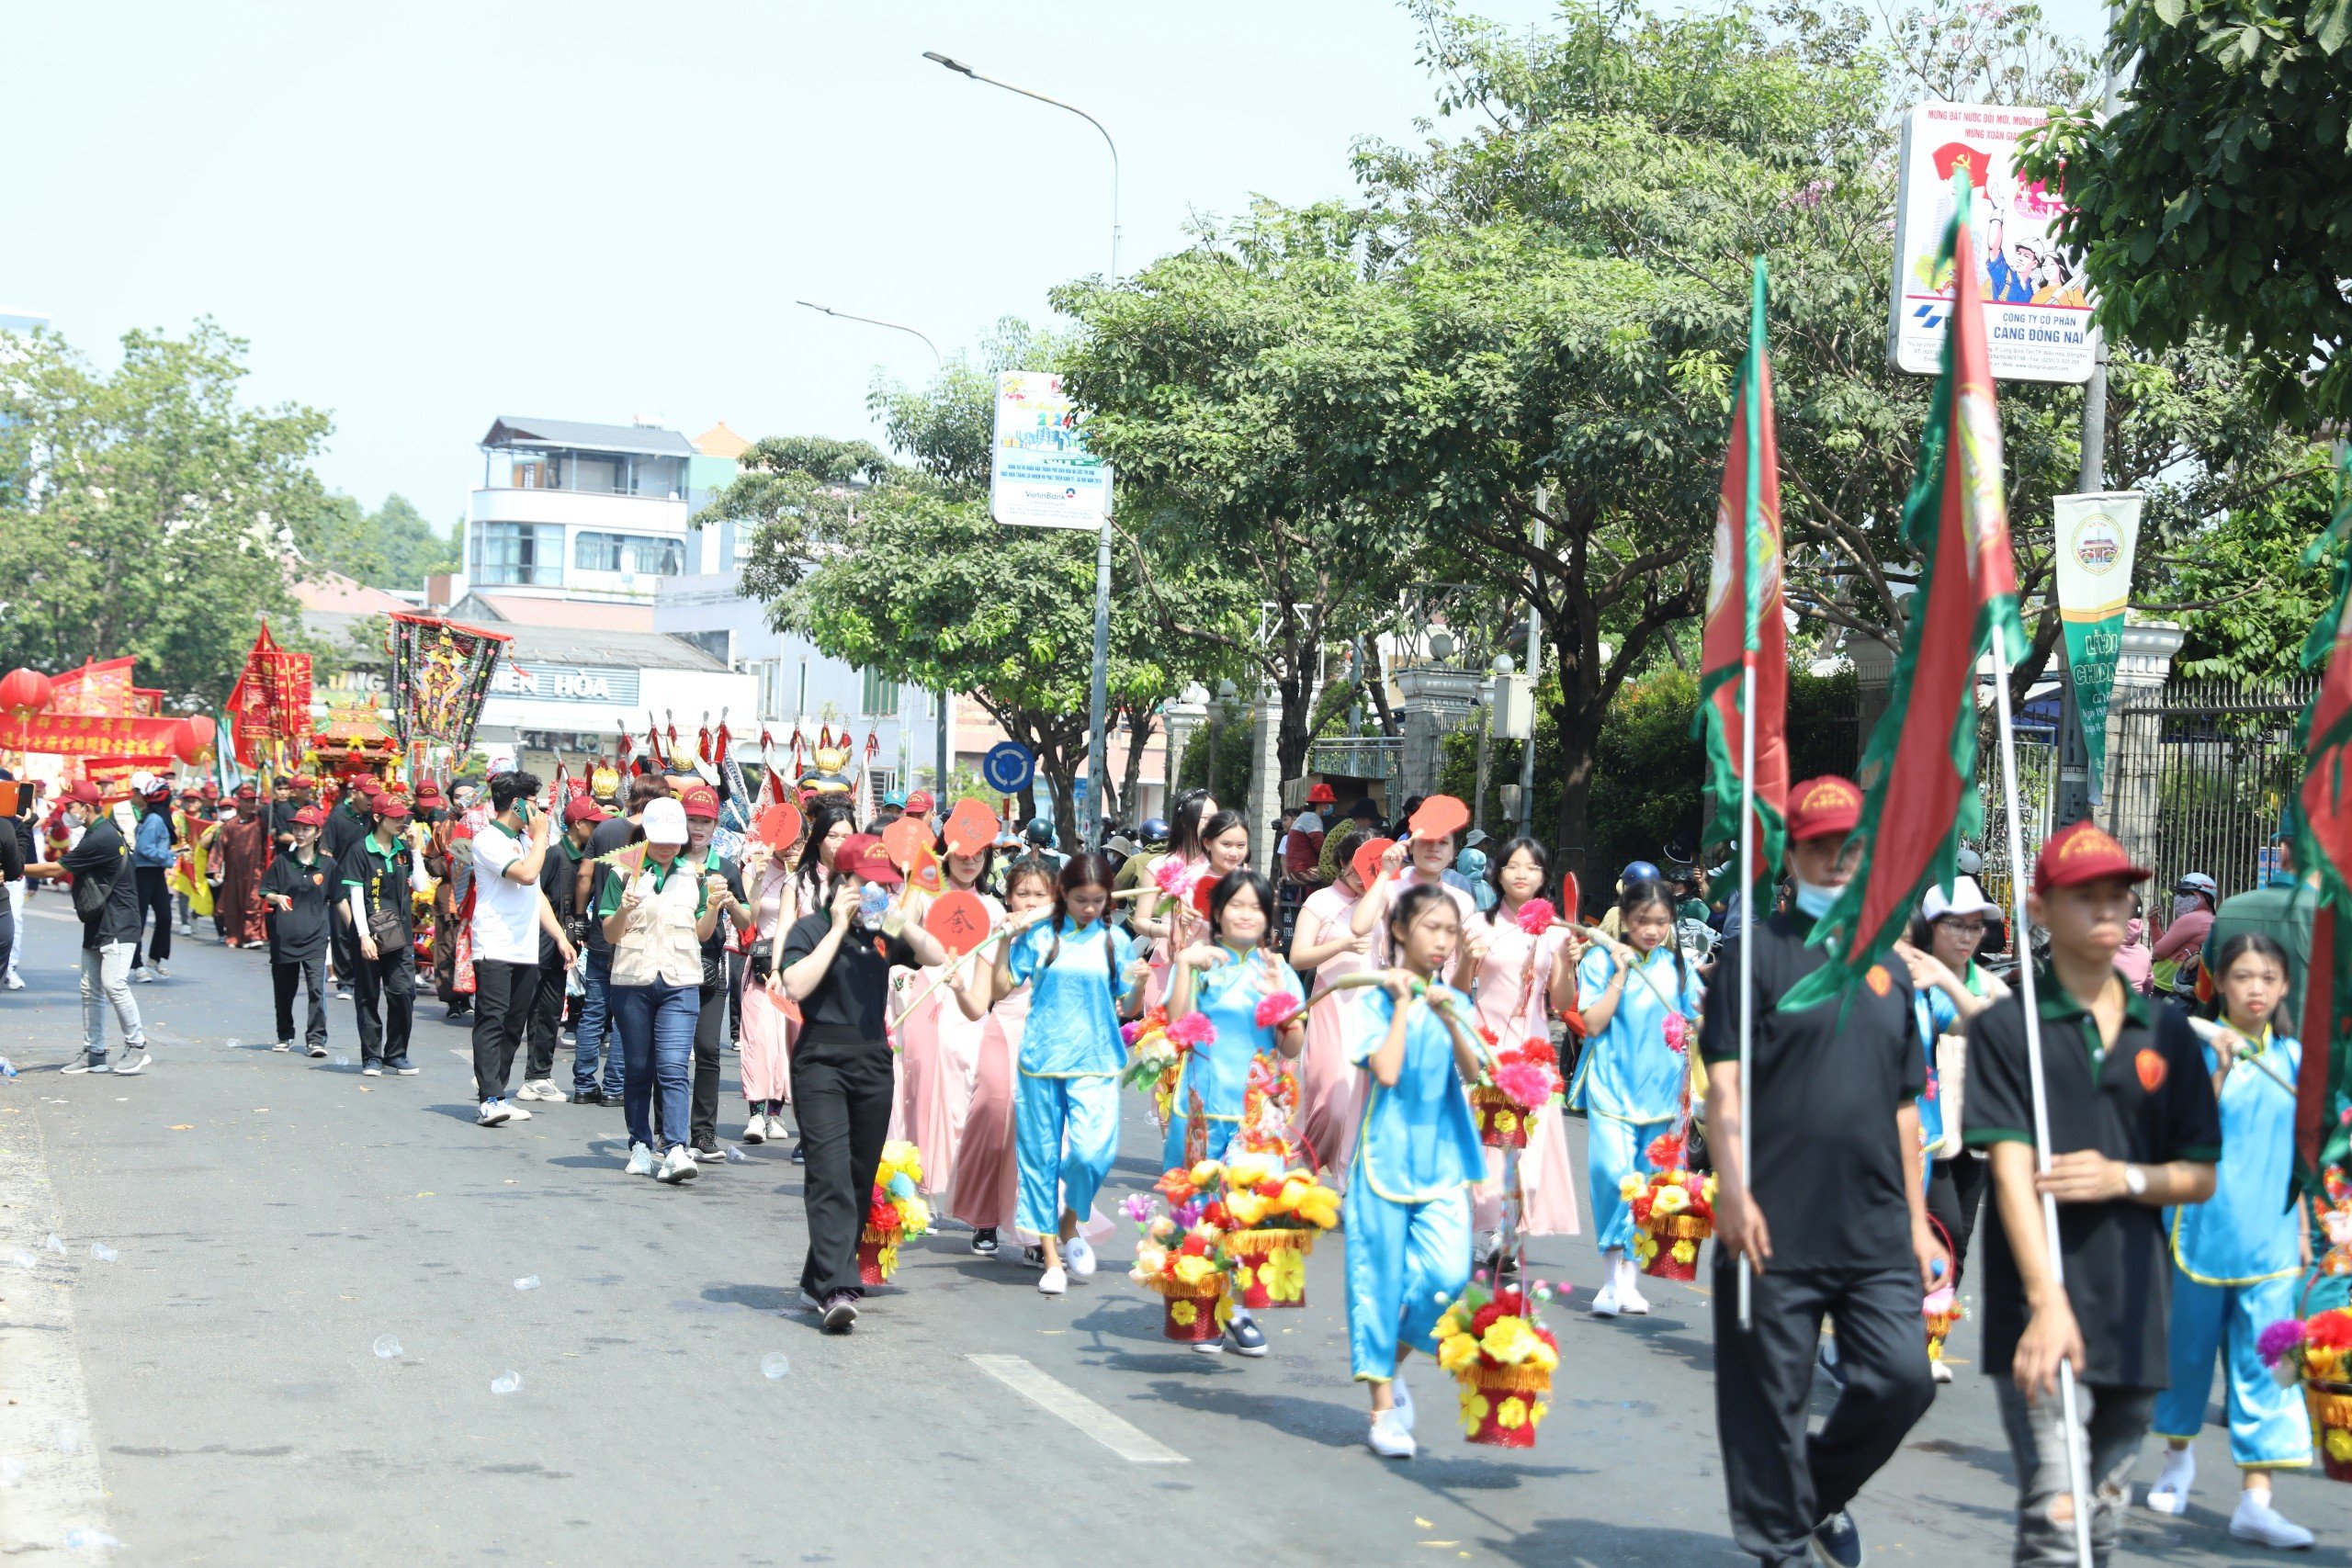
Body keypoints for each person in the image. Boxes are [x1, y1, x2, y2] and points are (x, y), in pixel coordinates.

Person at [1965, 819, 2221, 1568]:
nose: (2110, 910)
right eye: (2087, 896)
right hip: (2039, 1308)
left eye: (2120, 896)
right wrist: (2046, 1301)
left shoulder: (2167, 1032)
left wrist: (2126, 1178)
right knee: (2056, 1511)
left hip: (2137, 1306)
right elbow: (2010, 1167)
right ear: (2040, 910)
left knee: (2099, 1523)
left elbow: (2200, 1172)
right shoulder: (2010, 1029)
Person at [1702, 775, 1940, 1568]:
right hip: (1773, 1217)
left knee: (1903, 1379)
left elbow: (1907, 1107)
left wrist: (1914, 1219)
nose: (1838, 860)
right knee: (1769, 1398)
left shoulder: (1891, 970)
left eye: (1852, 846)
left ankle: (1810, 1494)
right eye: (1821, 845)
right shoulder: (1753, 956)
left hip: (1873, 1221)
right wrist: (1732, 1189)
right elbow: (1726, 1087)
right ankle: (1779, 1540)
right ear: (1794, 854)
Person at [2144, 932, 2314, 1549]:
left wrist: (2300, 1227)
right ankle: (2176, 1460)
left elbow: (2300, 1153)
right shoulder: (2191, 1048)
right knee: (2186, 1356)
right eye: (2244, 975)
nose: (2257, 988)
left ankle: (2257, 1499)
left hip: (2270, 1244)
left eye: (2269, 977)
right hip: (2201, 1232)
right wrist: (2216, 1070)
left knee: (2270, 1367)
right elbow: (2177, 1135)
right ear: (2219, 981)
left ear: (2284, 986)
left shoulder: (2296, 1060)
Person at [783, 832, 953, 1332]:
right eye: (867, 884)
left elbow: (938, 954)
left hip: (873, 1063)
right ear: (841, 883)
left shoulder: (883, 933)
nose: (876, 893)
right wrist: (837, 926)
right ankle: (838, 1285)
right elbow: (795, 985)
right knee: (829, 1172)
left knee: (858, 1178)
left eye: (885, 885)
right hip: (820, 1064)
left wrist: (898, 917)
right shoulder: (810, 929)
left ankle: (820, 1274)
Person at [1344, 883, 1491, 1461]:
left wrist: (1448, 1010)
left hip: (1443, 1161)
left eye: (1451, 931)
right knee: (1376, 1285)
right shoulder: (1371, 1000)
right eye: (1432, 927)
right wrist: (1403, 1003)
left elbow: (1476, 1069)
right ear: (1400, 931)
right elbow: (1383, 1070)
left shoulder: (1454, 998)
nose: (1442, 941)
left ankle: (1392, 1363)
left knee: (1449, 1277)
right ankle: (1381, 1409)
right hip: (1382, 1159)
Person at [1165, 868, 1306, 1354]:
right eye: (1236, 905)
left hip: (1257, 1115)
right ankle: (1203, 1307)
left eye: (1256, 907)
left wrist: (1279, 1005)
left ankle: (1239, 1310)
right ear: (1218, 912)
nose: (1246, 914)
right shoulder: (1205, 961)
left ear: (1268, 917)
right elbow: (1179, 1024)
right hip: (1201, 1106)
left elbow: (1292, 1044)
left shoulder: (1278, 969)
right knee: (1201, 1211)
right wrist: (1184, 964)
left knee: (1250, 1213)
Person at [992, 853, 1144, 1298]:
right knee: (1039, 1159)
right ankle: (1051, 1257)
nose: (1090, 909)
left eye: (1098, 900)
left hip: (1097, 1061)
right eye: (1081, 899)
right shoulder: (1040, 934)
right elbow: (1003, 987)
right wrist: (1004, 940)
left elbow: (1130, 1008)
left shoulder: (1116, 939)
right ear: (1064, 895)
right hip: (1041, 1061)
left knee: (1094, 1152)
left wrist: (1138, 982)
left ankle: (1070, 1221)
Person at [1890, 874, 2010, 1382]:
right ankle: (1883, 1339)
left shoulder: (1981, 986)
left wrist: (1947, 979)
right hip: (1919, 1136)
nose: (1966, 937)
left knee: (1956, 1243)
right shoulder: (1900, 981)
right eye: (1954, 926)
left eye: (1974, 927)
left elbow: (1997, 1032)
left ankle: (1930, 1340)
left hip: (1973, 1131)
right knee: (1939, 1230)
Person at [1576, 876, 1704, 1317]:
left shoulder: (1677, 966)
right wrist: (1619, 972)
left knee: (1646, 1185)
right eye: (1641, 921)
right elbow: (1592, 1023)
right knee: (1611, 1176)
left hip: (1662, 1094)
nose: (1651, 930)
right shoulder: (1598, 959)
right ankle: (1609, 1279)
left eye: (1661, 922)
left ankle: (1628, 1281)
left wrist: (1697, 1026)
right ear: (1625, 918)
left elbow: (1695, 1018)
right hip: (1611, 1087)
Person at [1467, 837, 1584, 1263]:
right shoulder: (1480, 924)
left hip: (1534, 1049)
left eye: (1531, 867)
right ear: (1498, 874)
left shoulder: (1555, 932)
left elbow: (1563, 1001)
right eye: (1512, 866)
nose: (1521, 874)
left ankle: (1513, 1233)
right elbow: (1459, 987)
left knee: (1528, 1153)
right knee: (1492, 1145)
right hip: (1488, 1046)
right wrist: (1465, 958)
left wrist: (1568, 962)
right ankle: (1490, 1234)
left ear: (1543, 877)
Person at [600, 796, 718, 1185]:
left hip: (680, 982)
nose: (667, 846)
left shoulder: (695, 874)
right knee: (638, 1067)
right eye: (659, 837)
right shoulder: (623, 872)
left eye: (675, 838)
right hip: (632, 980)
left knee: (672, 1065)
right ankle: (639, 1143)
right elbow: (609, 934)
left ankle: (676, 1148)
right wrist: (625, 909)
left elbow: (701, 934)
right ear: (644, 834)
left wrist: (714, 908)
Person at [948, 856, 1058, 1257]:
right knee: (994, 1114)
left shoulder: (1068, 937)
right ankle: (985, 1216)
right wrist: (960, 987)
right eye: (1022, 894)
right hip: (1003, 1034)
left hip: (1050, 1045)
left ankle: (1034, 1230)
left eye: (1039, 894)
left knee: (1042, 1134)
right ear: (1008, 897)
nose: (1030, 902)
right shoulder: (996, 937)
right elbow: (982, 1003)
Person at [895, 829, 1001, 1198]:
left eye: (978, 854)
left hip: (970, 1001)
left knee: (965, 1091)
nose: (969, 861)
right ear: (947, 853)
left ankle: (959, 1183)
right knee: (922, 1087)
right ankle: (922, 1184)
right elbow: (898, 924)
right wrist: (924, 874)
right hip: (927, 998)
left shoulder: (994, 907)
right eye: (962, 854)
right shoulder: (927, 895)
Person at [467, 773, 574, 1128]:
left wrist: (559, 937)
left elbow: (536, 893)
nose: (537, 810)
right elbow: (527, 876)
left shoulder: (525, 842)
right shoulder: (488, 839)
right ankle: (488, 1099)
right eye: (531, 802)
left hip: (526, 947)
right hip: (495, 944)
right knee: (492, 1020)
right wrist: (542, 837)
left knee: (514, 1024)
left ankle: (499, 1093)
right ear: (514, 803)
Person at [33, 783, 149, 1075]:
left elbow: (55, 869)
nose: (66, 812)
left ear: (87, 807)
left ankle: (137, 1047)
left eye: (70, 807)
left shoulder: (103, 837)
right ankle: (94, 1052)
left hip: (120, 923)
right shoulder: (95, 833)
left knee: (114, 984)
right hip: (100, 920)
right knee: (90, 988)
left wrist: (14, 868)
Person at [572, 775, 667, 1106]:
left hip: (603, 929)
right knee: (627, 1014)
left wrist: (579, 917)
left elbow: (584, 875)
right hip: (636, 936)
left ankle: (583, 1084)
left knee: (595, 1010)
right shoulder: (658, 836)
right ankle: (614, 1088)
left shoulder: (606, 829)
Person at [1290, 829, 1377, 1178]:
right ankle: (1306, 1164)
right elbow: (1298, 957)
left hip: (1371, 1008)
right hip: (1330, 1003)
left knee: (1362, 1100)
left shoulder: (1383, 902)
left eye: (1370, 868)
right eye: (1355, 865)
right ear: (1341, 863)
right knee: (1330, 1098)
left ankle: (1350, 1181)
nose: (1361, 876)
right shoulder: (1320, 902)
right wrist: (1340, 946)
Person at [678, 784, 752, 1161]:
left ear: (715, 824)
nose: (698, 828)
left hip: (710, 967)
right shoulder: (666, 859)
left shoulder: (725, 867)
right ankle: (668, 1131)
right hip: (671, 965)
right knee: (671, 1054)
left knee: (707, 1049)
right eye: (692, 819)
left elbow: (746, 918)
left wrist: (728, 902)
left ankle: (704, 1133)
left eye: (705, 821)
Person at [516, 794, 603, 1105]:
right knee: (525, 1007)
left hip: (562, 942)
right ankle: (499, 1072)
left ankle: (539, 1075)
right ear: (578, 825)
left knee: (551, 1010)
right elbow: (535, 897)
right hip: (541, 937)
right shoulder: (553, 855)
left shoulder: (588, 859)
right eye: (593, 824)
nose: (597, 830)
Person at [343, 791, 427, 1076]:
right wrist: (363, 935)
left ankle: (397, 1053)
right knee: (368, 995)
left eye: (402, 817)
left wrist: (416, 850)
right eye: (394, 818)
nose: (401, 821)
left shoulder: (403, 849)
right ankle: (372, 1057)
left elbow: (421, 885)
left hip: (399, 935)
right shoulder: (359, 851)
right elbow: (356, 895)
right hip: (370, 934)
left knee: (404, 992)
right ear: (378, 818)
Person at [2205, 829, 2312, 1024]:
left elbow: (2205, 991)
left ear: (2284, 852)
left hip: (2233, 1049)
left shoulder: (2229, 909)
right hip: (2318, 1053)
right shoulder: (2338, 916)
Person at [261, 805, 337, 1059]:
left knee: (317, 988)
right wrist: (276, 897)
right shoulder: (282, 862)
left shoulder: (328, 865)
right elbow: (265, 891)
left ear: (317, 832)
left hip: (316, 936)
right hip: (284, 936)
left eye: (306, 828)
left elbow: (340, 899)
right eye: (297, 828)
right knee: (284, 990)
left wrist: (359, 933)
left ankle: (316, 1039)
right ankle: (285, 1035)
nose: (300, 833)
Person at [322, 775, 379, 998]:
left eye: (375, 796)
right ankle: (346, 981)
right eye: (367, 795)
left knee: (371, 930)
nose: (371, 799)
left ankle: (366, 979)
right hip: (343, 882)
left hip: (370, 882)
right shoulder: (338, 816)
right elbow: (326, 851)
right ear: (354, 793)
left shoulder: (374, 818)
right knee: (343, 932)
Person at [214, 784, 270, 949]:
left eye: (252, 801)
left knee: (253, 902)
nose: (250, 804)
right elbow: (219, 848)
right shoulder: (230, 825)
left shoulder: (260, 824)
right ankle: (233, 935)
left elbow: (267, 847)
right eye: (246, 801)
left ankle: (251, 935)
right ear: (239, 802)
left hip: (255, 871)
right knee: (232, 903)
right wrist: (216, 869)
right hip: (234, 871)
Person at [130, 779, 175, 980]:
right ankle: (137, 965)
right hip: (144, 872)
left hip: (155, 872)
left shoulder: (156, 817)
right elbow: (144, 848)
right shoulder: (155, 819)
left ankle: (154, 959)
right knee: (138, 919)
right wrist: (168, 857)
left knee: (165, 916)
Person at [2151, 872, 2217, 1004]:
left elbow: (2158, 952)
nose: (2180, 898)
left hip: (2166, 984)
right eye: (2180, 893)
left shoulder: (2192, 919)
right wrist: (2154, 924)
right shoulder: (2211, 918)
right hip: (2189, 986)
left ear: (2204, 896)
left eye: (2186, 894)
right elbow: (2161, 946)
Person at [1283, 781, 1335, 886]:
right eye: (1329, 803)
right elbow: (1320, 847)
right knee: (1339, 874)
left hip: (1296, 870)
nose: (1331, 806)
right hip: (1302, 871)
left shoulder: (1305, 816)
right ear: (1321, 804)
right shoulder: (1312, 818)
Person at [2114, 896, 2154, 996]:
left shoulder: (2097, 949)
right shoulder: (2144, 952)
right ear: (2139, 914)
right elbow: (2149, 985)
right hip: (2135, 1005)